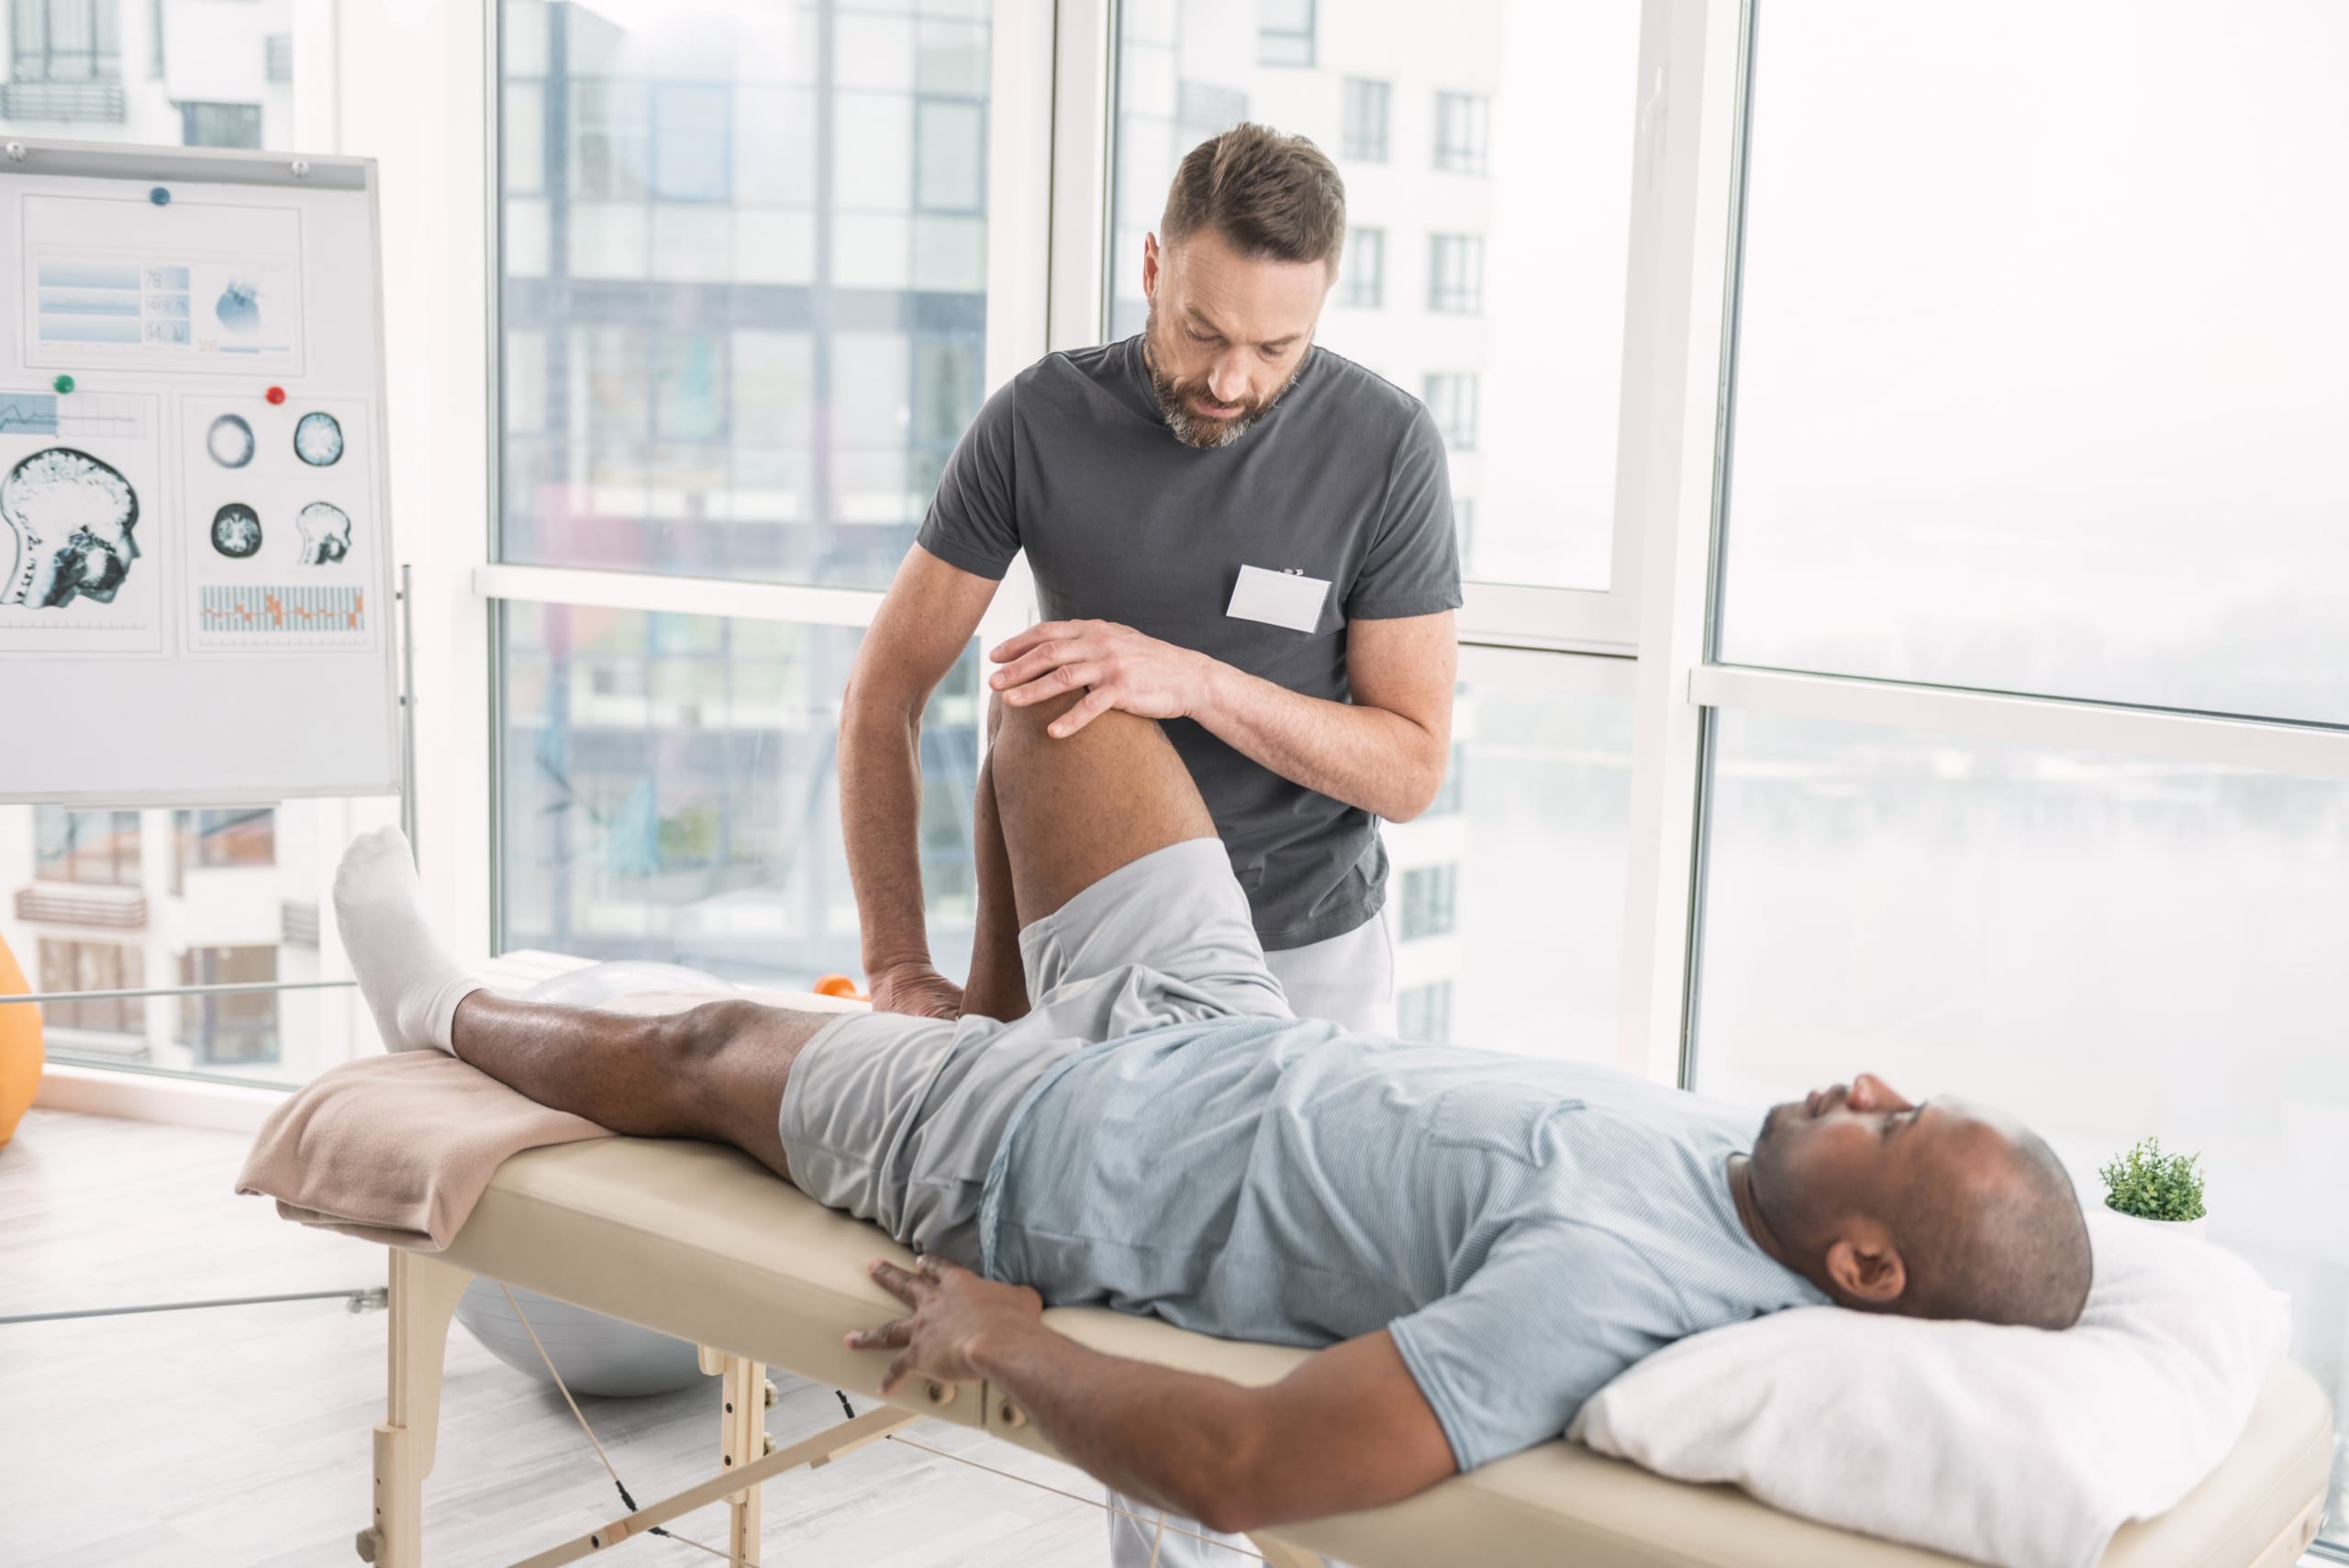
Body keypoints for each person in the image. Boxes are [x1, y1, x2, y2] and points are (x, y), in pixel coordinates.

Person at [332, 691, 2098, 1547]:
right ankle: (987, 1002)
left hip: (1041, 1147)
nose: (1867, 1084)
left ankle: (437, 1004)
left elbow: (1257, 1469)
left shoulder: (1624, 1287)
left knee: (719, 1040)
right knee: (1058, 700)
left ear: (1865, 1261)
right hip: (1218, 1019)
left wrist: (1006, 1340)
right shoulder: (1742, 1163)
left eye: (1899, 1120)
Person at [841, 121, 1462, 1040]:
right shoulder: (1035, 421)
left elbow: (1409, 772)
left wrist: (1194, 681)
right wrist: (894, 960)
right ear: (1151, 268)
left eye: (1275, 348)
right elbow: (882, 694)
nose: (1228, 378)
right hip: (1096, 930)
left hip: (1309, 949)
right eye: (1201, 330)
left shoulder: (1388, 445)